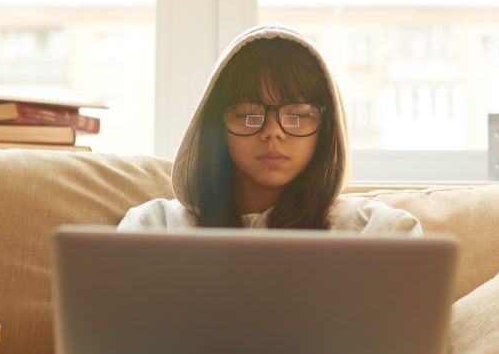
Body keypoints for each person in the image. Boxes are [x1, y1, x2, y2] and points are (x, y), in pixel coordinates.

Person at [120, 23, 422, 233]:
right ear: (216, 124)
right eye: (249, 114)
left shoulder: (377, 231)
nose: (273, 132)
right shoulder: (154, 226)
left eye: (298, 115)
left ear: (326, 129)